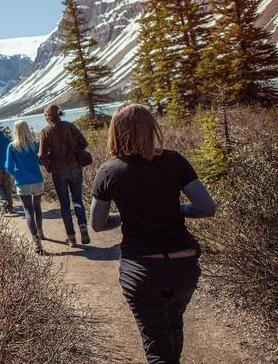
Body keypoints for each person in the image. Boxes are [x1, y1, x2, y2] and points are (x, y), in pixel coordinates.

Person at [90, 104, 216, 364]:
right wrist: (177, 209)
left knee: (157, 348)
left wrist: (126, 215)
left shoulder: (109, 171)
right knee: (174, 327)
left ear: (116, 132)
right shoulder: (174, 160)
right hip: (183, 265)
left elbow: (98, 224)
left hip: (142, 270)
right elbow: (207, 208)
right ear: (151, 128)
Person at [39, 104, 90, 247]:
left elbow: (42, 156)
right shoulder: (69, 126)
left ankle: (71, 237)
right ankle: (83, 227)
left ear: (49, 116)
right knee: (78, 200)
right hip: (75, 168)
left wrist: (49, 167)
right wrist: (74, 153)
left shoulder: (45, 132)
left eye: (45, 114)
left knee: (65, 204)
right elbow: (84, 143)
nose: (45, 117)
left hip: (58, 171)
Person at [5, 120, 46, 253]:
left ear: (15, 131)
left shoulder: (11, 147)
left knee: (28, 211)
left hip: (22, 182)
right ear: (27, 129)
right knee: (37, 207)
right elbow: (41, 160)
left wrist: (16, 174)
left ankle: (36, 242)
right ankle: (41, 232)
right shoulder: (35, 144)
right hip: (37, 180)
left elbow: (8, 167)